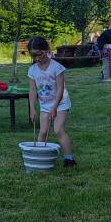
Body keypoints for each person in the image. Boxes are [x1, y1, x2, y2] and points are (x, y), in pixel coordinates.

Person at [27, 36, 76, 167]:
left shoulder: (57, 68)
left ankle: (69, 159)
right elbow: (32, 90)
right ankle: (39, 158)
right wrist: (32, 108)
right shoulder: (32, 70)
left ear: (47, 49)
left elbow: (60, 89)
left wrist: (54, 108)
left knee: (58, 129)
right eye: (33, 56)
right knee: (43, 132)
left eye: (40, 54)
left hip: (60, 103)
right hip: (45, 105)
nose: (37, 58)